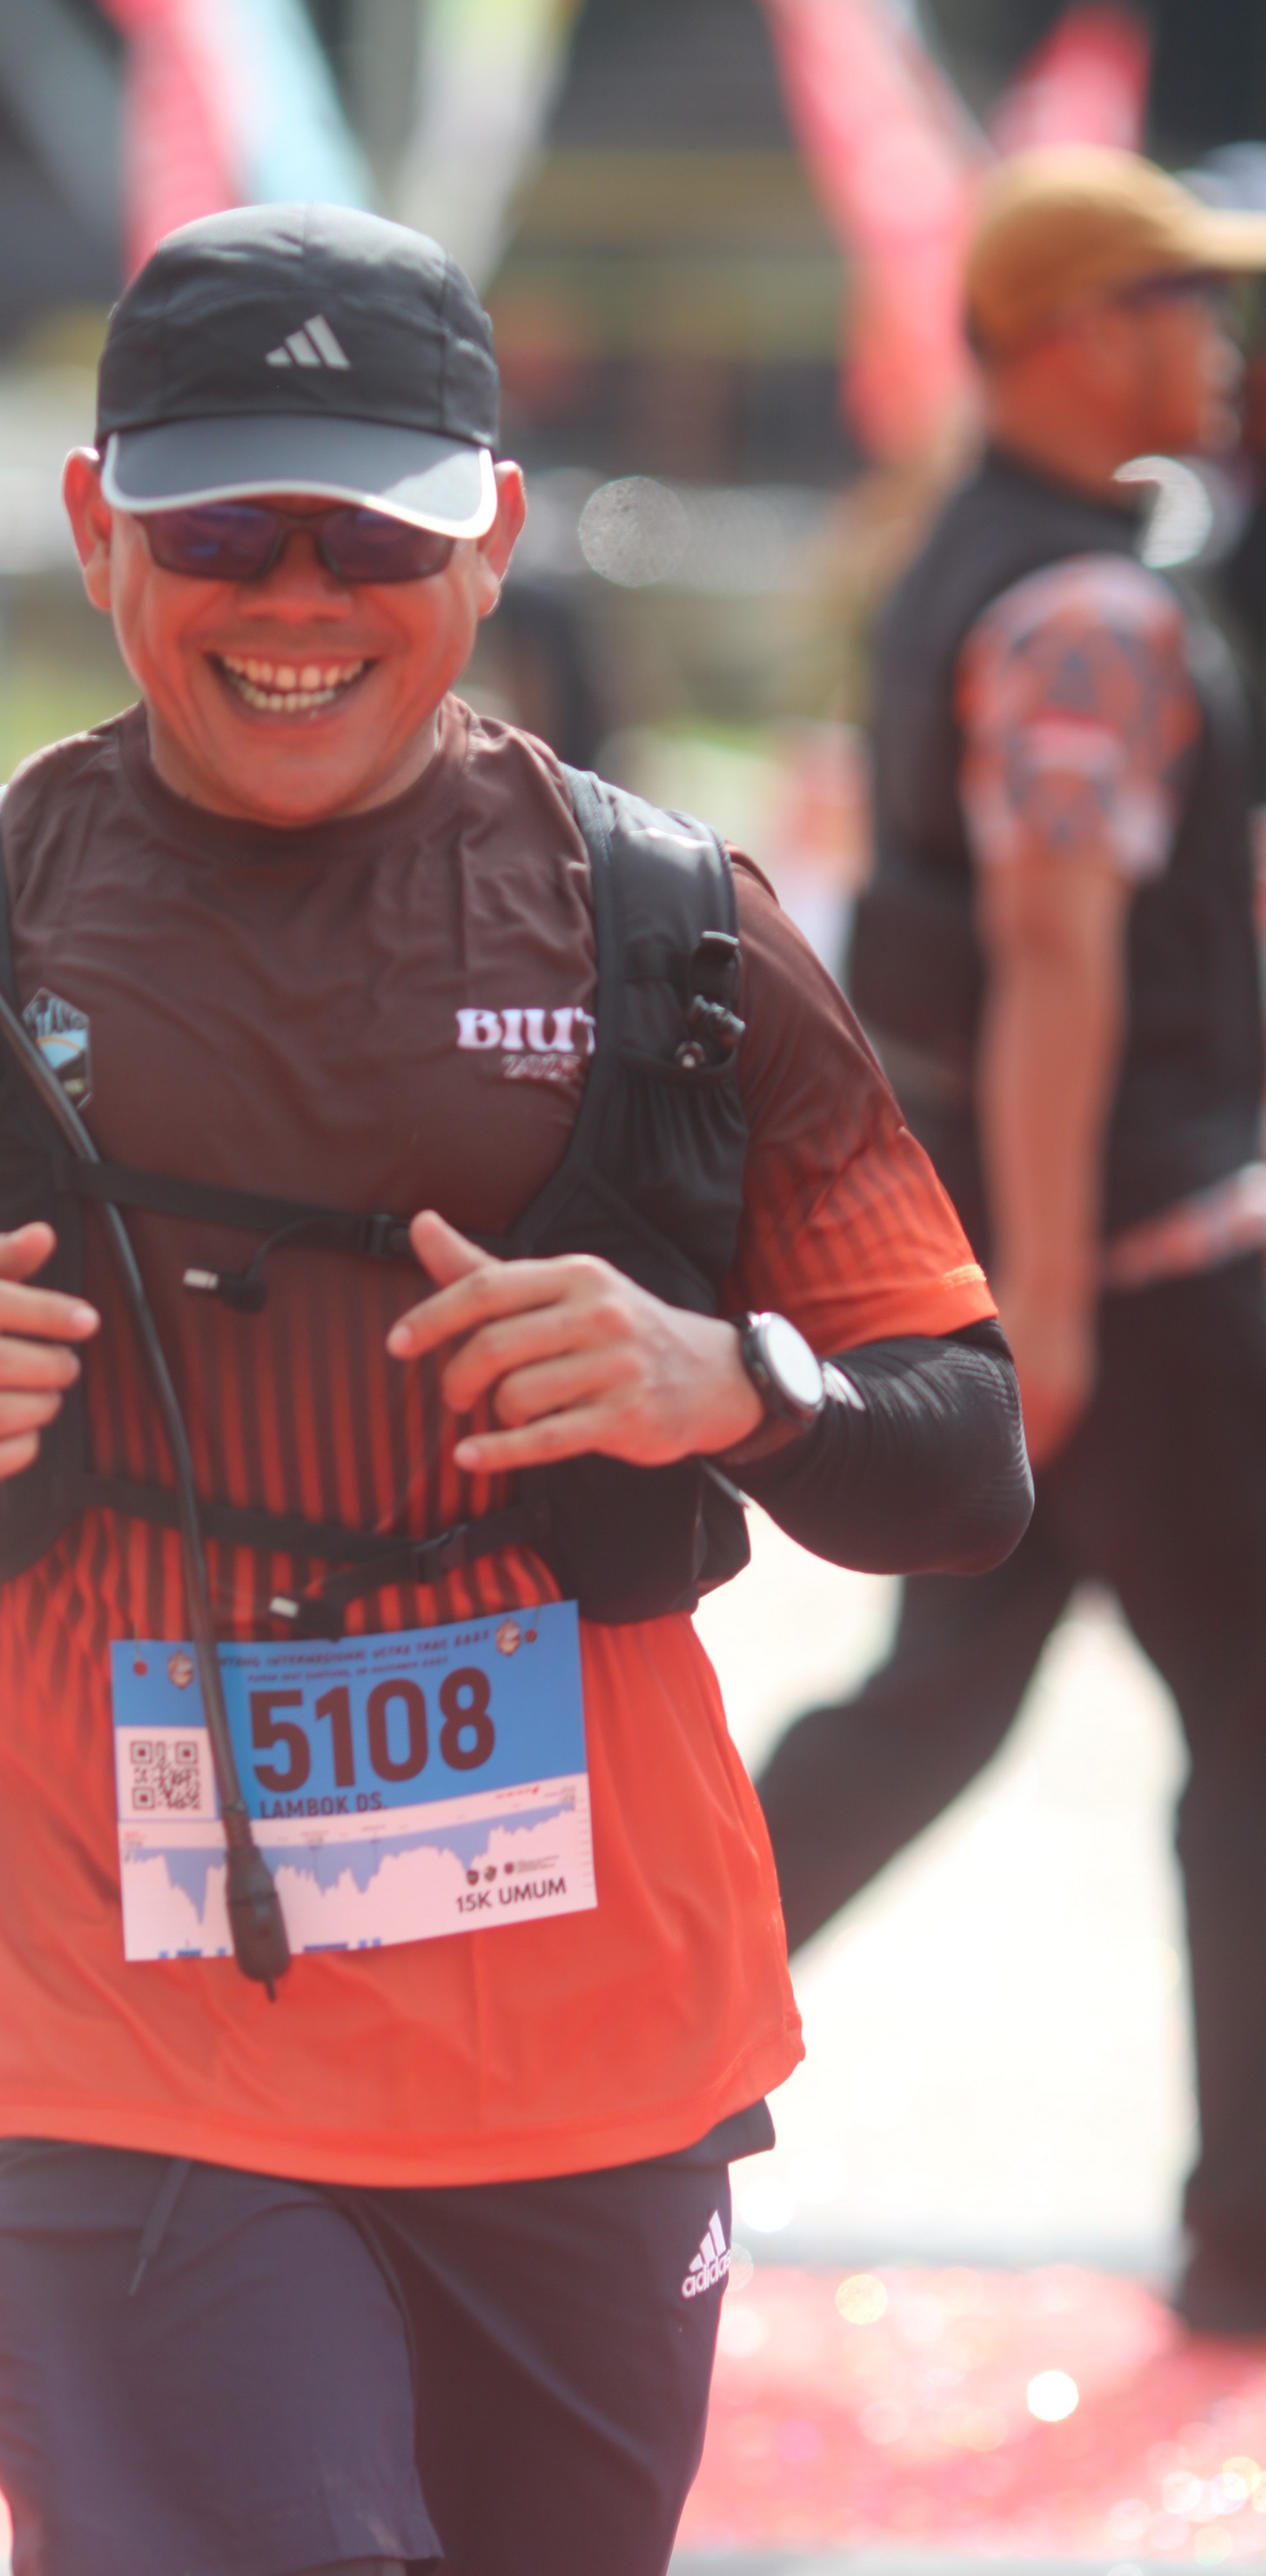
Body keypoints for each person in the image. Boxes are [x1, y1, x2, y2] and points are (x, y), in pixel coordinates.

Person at [0, 206, 1026, 2576]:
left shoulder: (675, 931)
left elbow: (962, 1459)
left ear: (492, 537)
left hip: (595, 2064)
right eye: (220, 530)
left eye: (369, 535)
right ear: (96, 529)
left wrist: (731, 1387)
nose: (294, 597)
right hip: (124, 2056)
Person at [757, 147, 1266, 2338]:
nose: (1222, 348)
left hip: (1048, 1261)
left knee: (933, 1706)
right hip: (1139, 1280)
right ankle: (1252, 2237)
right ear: (1072, 337)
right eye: (1183, 304)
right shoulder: (1086, 607)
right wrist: (1038, 1307)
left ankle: (589, 2048)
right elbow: (1058, 964)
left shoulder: (982, 560)